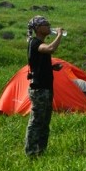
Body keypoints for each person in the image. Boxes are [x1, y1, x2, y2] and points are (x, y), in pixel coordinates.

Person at [24, 15, 64, 157]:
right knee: (36, 121)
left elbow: (38, 63)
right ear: (38, 28)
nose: (49, 26)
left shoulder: (39, 44)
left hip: (46, 87)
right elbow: (51, 48)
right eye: (45, 24)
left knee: (45, 121)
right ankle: (31, 152)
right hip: (39, 88)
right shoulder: (35, 43)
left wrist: (52, 67)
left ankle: (41, 150)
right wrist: (59, 35)